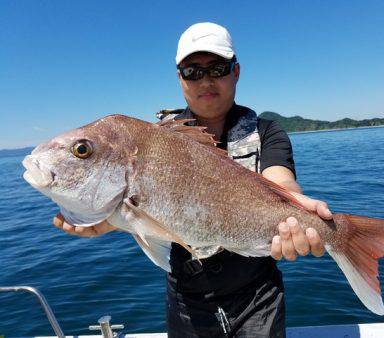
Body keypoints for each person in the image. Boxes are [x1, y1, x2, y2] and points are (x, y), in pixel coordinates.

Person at [53, 22, 333, 337]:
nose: (205, 80)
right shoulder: (152, 141)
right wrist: (107, 221)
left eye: (217, 68)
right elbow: (141, 215)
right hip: (187, 301)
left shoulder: (267, 132)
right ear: (179, 78)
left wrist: (298, 213)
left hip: (259, 295)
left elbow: (281, 184)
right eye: (192, 71)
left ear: (236, 71)